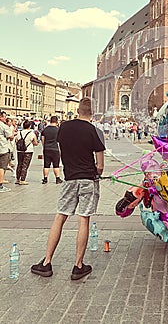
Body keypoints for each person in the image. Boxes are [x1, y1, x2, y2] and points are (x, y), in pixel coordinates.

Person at [31, 97, 105, 280]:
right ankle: (78, 266)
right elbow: (101, 164)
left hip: (70, 178)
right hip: (88, 179)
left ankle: (47, 262)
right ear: (92, 112)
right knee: (83, 220)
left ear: (78, 111)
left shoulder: (64, 127)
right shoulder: (94, 131)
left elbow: (61, 146)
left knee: (60, 217)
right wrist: (95, 171)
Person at [15, 119, 38, 185]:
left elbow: (16, 140)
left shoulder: (19, 132)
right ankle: (23, 180)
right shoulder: (31, 133)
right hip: (28, 151)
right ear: (30, 126)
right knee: (25, 165)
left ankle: (17, 179)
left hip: (20, 151)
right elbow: (36, 143)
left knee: (19, 164)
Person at [41, 116, 63, 184]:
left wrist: (44, 146)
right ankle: (57, 178)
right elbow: (60, 140)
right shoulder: (58, 130)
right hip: (55, 149)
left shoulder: (45, 129)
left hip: (46, 149)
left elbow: (42, 139)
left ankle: (45, 179)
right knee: (56, 165)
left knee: (46, 165)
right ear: (57, 121)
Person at [0, 111, 13, 192]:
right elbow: (11, 137)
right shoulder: (4, 126)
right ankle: (0, 185)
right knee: (2, 167)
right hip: (3, 148)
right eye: (4, 117)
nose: (5, 118)